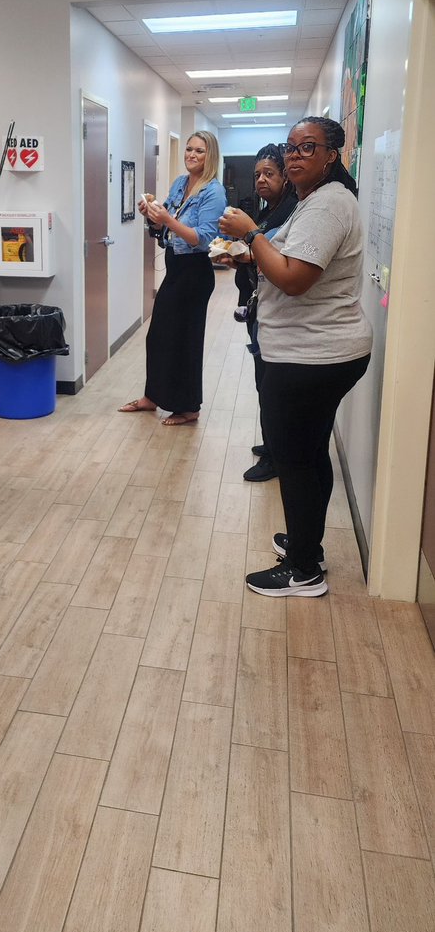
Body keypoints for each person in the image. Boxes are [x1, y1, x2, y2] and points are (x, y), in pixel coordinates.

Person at [219, 117, 372, 597]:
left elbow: (293, 279)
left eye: (309, 147)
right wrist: (247, 254)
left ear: (331, 155)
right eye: (292, 146)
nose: (296, 155)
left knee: (297, 459)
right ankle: (307, 543)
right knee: (308, 454)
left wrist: (249, 235)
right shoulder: (315, 201)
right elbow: (286, 255)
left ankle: (304, 570)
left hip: (313, 355)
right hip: (309, 351)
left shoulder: (328, 205)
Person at [118, 131, 226, 425]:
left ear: (210, 155)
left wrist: (168, 220)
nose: (191, 154)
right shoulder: (181, 183)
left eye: (199, 151)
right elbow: (164, 223)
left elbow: (202, 239)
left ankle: (188, 407)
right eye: (189, 149)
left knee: (185, 340)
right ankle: (152, 397)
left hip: (194, 272)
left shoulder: (213, 192)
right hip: (175, 267)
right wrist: (150, 214)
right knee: (158, 337)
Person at [234, 144, 297, 482]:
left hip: (276, 312)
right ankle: (271, 443)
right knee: (263, 382)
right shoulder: (269, 209)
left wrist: (245, 254)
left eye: (269, 174)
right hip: (259, 305)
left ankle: (275, 456)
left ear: (285, 177)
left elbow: (276, 255)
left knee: (271, 386)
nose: (261, 180)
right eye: (257, 174)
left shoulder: (290, 211)